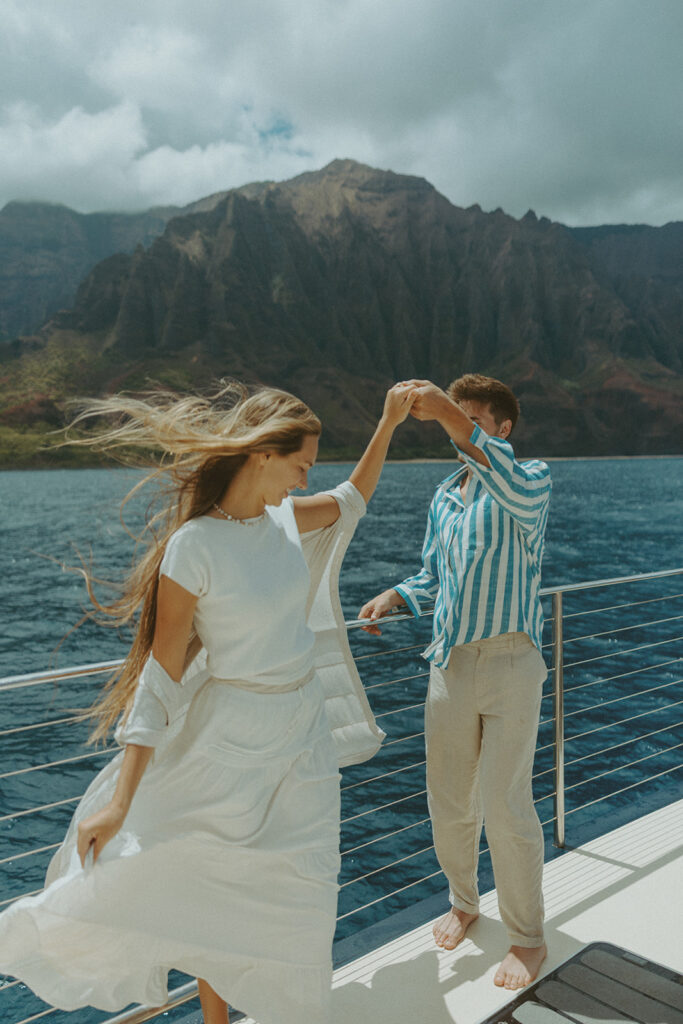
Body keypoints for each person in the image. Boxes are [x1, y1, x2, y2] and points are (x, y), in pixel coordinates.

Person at [0, 379, 416, 1024]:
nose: (306, 478)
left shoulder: (284, 517)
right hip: (233, 737)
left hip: (302, 735)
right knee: (204, 874)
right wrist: (120, 802)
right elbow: (161, 675)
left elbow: (352, 498)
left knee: (303, 896)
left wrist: (388, 423)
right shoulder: (194, 546)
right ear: (261, 454)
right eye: (301, 464)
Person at [359, 373, 552, 991]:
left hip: (510, 661)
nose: (456, 430)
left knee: (505, 802)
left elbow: (512, 488)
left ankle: (527, 936)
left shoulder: (530, 481)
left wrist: (446, 413)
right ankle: (465, 900)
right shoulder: (445, 497)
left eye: (470, 419)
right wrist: (396, 594)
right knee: (448, 798)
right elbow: (434, 574)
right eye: (453, 418)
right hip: (450, 664)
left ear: (502, 427)